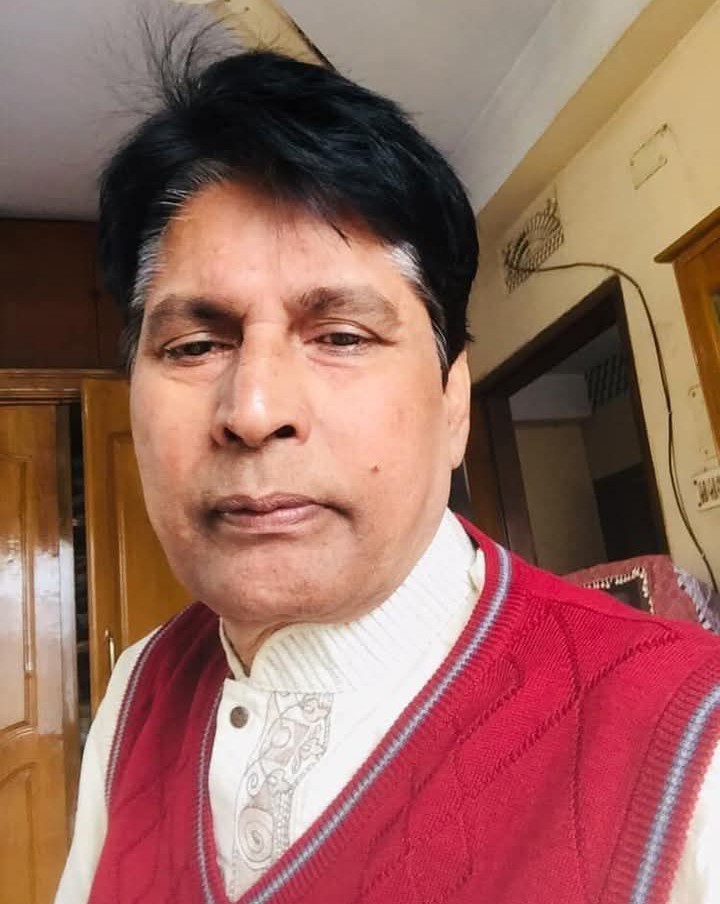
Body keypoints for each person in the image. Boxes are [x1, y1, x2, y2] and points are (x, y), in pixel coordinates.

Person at [55, 41, 720, 904]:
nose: (252, 409)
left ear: (454, 402)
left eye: (341, 336)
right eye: (193, 346)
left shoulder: (691, 748)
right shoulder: (137, 693)